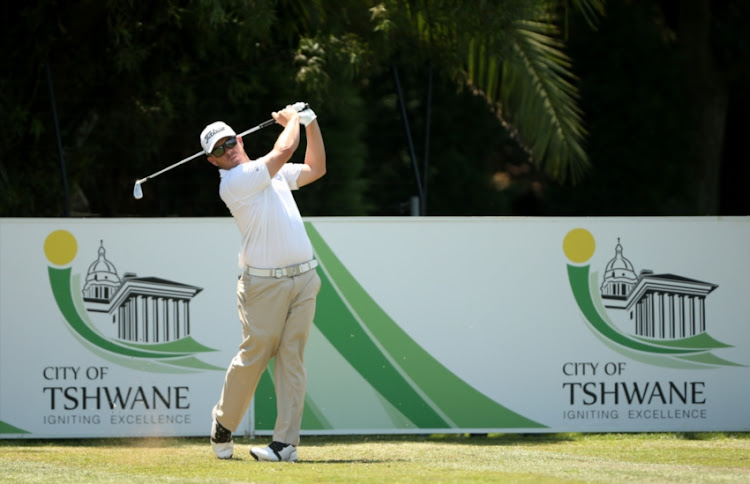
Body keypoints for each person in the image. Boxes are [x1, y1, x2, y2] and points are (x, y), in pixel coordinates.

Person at [200, 103, 325, 462]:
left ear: (239, 139)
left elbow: (317, 168)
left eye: (228, 143)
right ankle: (224, 421)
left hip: (303, 279)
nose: (227, 151)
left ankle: (285, 444)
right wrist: (291, 123)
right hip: (262, 287)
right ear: (213, 162)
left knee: (292, 359)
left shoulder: (273, 174)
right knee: (255, 355)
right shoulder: (235, 182)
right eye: (218, 151)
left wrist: (310, 122)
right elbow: (284, 148)